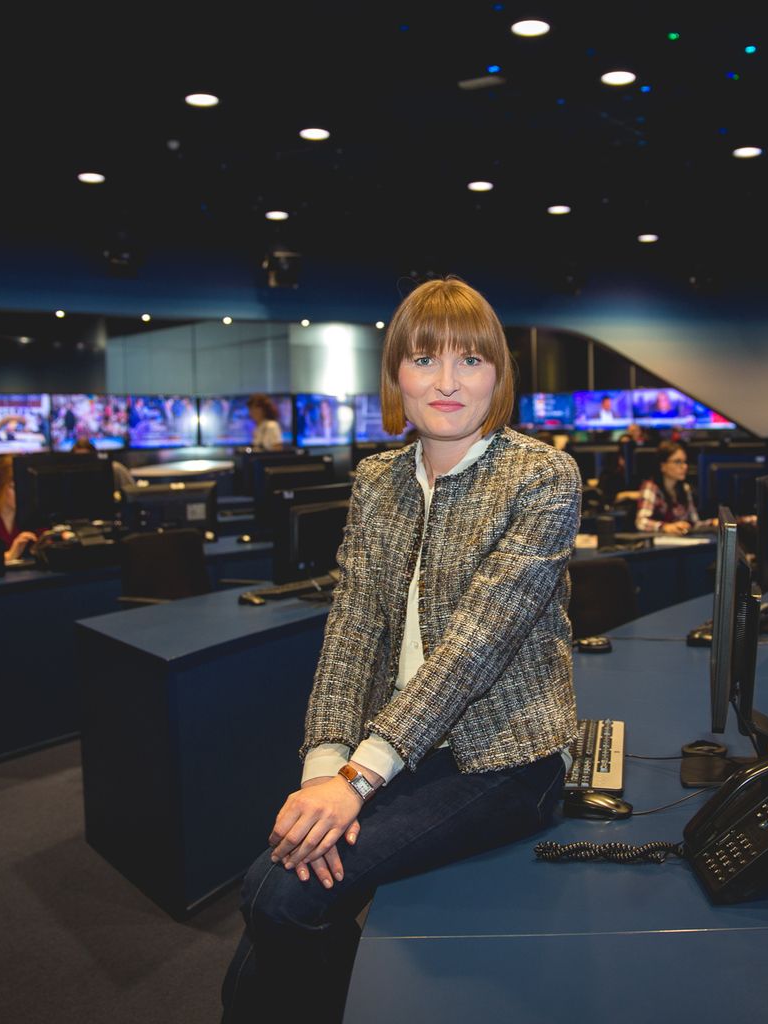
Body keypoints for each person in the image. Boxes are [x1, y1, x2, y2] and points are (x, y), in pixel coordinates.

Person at [221, 277, 581, 1022]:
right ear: (396, 377)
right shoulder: (377, 480)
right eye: (424, 360)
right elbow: (352, 630)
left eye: (470, 360)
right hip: (393, 755)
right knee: (276, 891)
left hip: (505, 761)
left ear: (499, 375)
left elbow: (476, 645)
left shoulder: (543, 476)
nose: (447, 382)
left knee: (277, 896)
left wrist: (356, 781)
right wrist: (324, 773)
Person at [634, 439, 716, 535]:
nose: (684, 466)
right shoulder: (651, 487)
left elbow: (694, 523)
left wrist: (712, 523)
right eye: (678, 462)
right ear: (663, 466)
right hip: (659, 541)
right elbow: (641, 522)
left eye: (685, 462)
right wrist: (665, 527)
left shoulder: (685, 488)